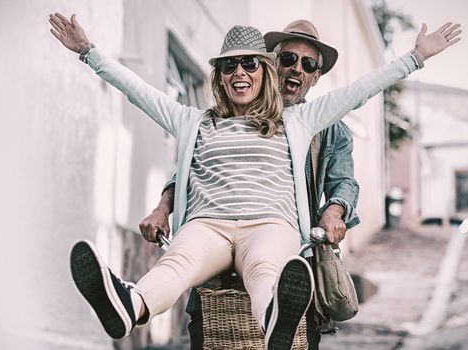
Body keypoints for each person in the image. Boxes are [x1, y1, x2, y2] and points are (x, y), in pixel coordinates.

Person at [48, 12, 460, 349]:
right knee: (177, 263)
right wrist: (88, 51)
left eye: (249, 63)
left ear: (262, 72)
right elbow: (137, 90)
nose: (239, 72)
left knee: (268, 271)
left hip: (268, 223)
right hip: (208, 225)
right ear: (222, 77)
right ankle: (129, 305)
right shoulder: (193, 122)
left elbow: (360, 92)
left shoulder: (299, 121)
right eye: (229, 66)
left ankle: (274, 323)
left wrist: (415, 57)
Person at [138, 19, 362, 349]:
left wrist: (334, 211)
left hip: (288, 262)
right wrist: (162, 208)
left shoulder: (330, 128)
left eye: (308, 64)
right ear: (272, 64)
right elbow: (189, 173)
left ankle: (277, 313)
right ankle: (135, 303)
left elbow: (344, 182)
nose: (296, 69)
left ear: (316, 76)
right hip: (217, 263)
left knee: (288, 327)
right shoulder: (231, 114)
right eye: (288, 59)